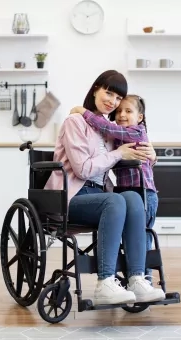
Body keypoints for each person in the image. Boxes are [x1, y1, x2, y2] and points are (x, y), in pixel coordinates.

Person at [44, 70, 165, 305]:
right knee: (116, 200)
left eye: (118, 98)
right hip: (70, 195)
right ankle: (105, 282)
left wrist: (152, 154)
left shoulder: (106, 129)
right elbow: (82, 170)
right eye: (108, 93)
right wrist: (118, 153)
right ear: (96, 89)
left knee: (132, 198)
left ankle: (136, 278)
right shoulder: (75, 122)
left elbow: (135, 142)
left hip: (98, 197)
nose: (113, 102)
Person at [70, 94, 158, 281]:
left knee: (142, 238)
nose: (122, 114)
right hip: (126, 193)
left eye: (128, 111)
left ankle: (145, 279)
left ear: (140, 117)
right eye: (119, 111)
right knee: (130, 236)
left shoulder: (133, 132)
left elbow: (106, 127)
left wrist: (83, 112)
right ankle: (132, 278)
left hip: (144, 193)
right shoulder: (116, 138)